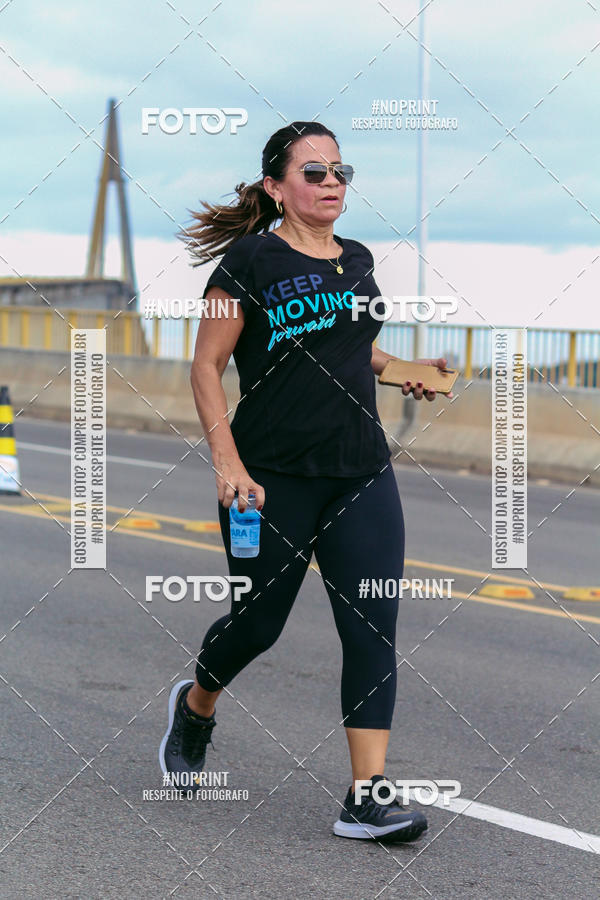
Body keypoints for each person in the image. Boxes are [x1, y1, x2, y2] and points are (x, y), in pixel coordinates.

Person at [159, 121, 451, 843]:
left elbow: (352, 342)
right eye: (314, 172)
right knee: (259, 625)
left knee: (372, 623)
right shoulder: (247, 261)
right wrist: (228, 465)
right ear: (276, 187)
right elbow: (205, 366)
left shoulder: (357, 260)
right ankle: (195, 709)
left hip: (359, 468)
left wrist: (405, 369)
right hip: (269, 476)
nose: (331, 183)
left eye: (340, 172)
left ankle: (366, 796)